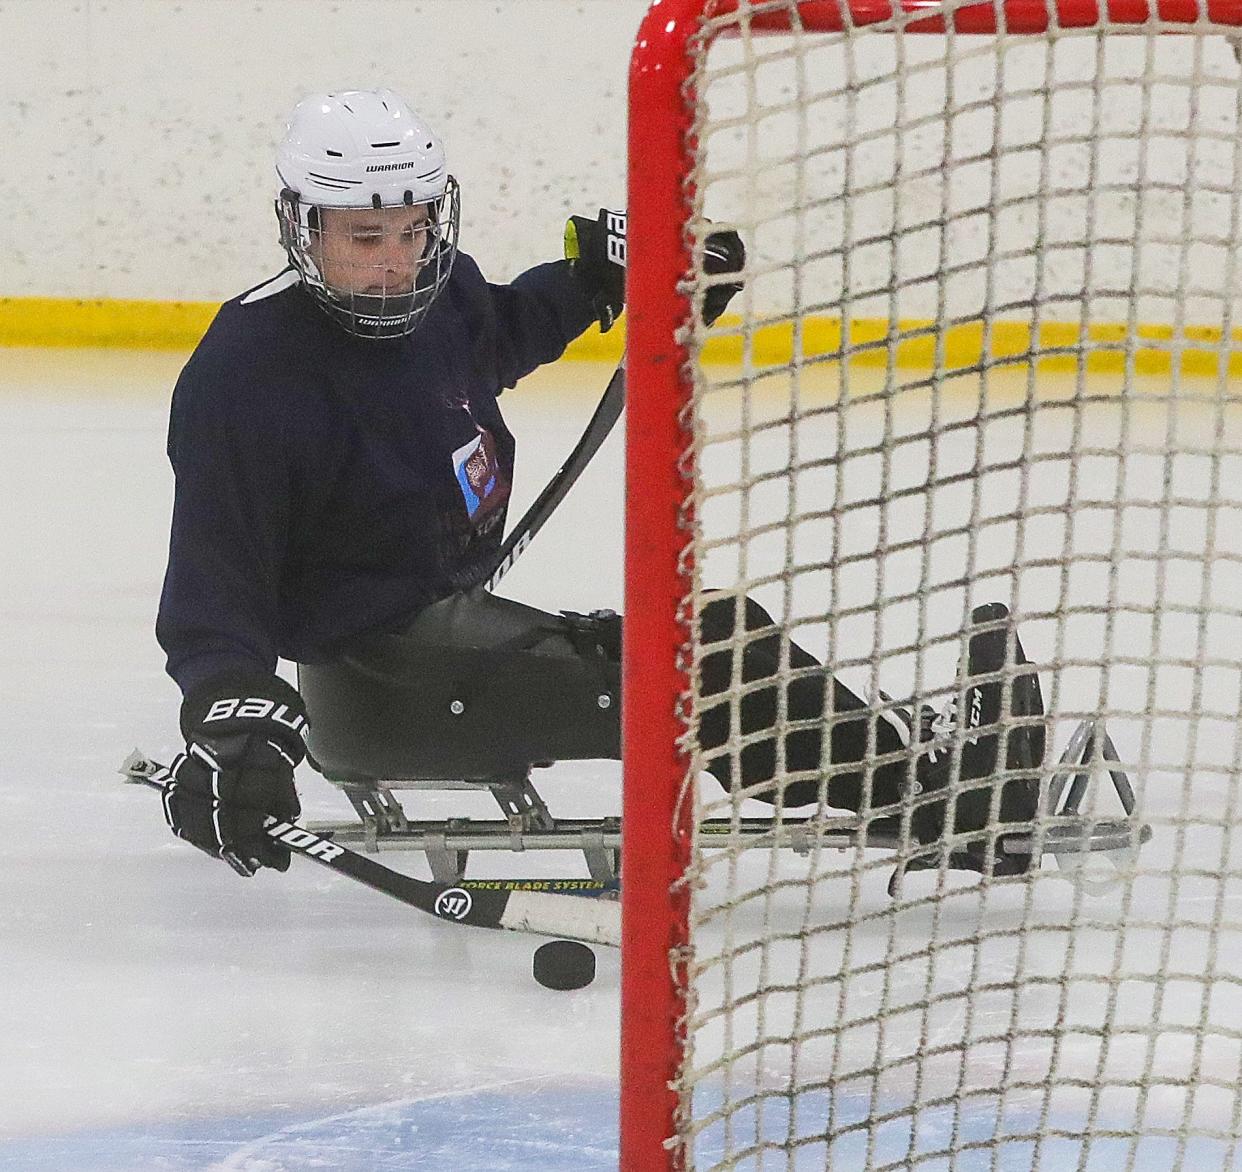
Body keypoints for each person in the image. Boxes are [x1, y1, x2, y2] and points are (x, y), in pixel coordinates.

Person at [155, 88, 1044, 889]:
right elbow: (214, 590)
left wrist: (599, 279)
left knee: (708, 637)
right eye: (365, 238)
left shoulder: (438, 295)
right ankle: (941, 798)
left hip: (440, 637)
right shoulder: (248, 375)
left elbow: (495, 334)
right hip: (385, 683)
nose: (397, 264)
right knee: (706, 664)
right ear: (303, 228)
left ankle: (903, 766)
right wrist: (239, 731)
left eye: (415, 231)